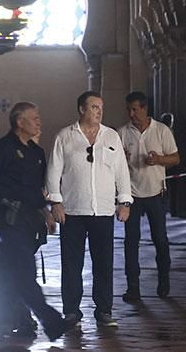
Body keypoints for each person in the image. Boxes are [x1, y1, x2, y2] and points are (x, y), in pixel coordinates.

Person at [0, 101, 77, 341]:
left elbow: (37, 190)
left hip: (29, 222)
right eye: (34, 118)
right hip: (7, 221)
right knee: (24, 271)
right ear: (20, 122)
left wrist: (47, 212)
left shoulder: (36, 153)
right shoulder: (1, 149)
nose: (39, 122)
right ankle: (51, 322)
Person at [46, 91, 133, 328]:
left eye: (101, 107)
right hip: (72, 211)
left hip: (103, 211)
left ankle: (104, 310)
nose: (99, 111)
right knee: (72, 263)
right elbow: (53, 171)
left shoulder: (111, 136)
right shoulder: (64, 137)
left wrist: (124, 201)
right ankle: (72, 311)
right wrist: (56, 202)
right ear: (82, 109)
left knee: (104, 263)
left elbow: (121, 172)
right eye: (94, 107)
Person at [118, 91, 180, 302]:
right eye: (129, 110)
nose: (131, 114)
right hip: (132, 196)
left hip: (156, 194)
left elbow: (175, 158)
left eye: (135, 109)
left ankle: (164, 280)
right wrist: (121, 159)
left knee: (160, 240)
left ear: (145, 109)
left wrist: (159, 159)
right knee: (131, 242)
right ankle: (133, 287)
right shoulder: (122, 133)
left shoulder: (161, 130)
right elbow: (113, 163)